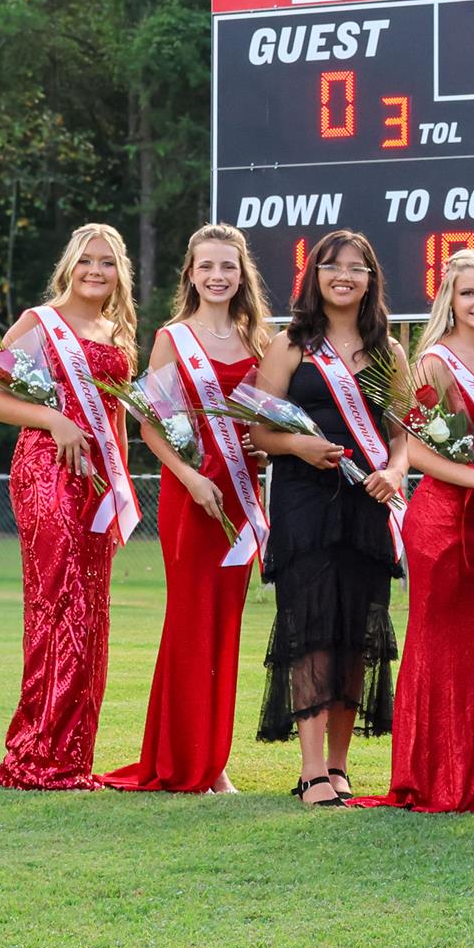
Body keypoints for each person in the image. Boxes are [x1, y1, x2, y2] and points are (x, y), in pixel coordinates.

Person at [352, 247, 474, 815]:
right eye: (469, 292)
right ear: (450, 298)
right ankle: (431, 778)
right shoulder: (433, 362)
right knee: (439, 649)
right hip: (446, 522)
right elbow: (419, 449)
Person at [102, 224, 272, 795]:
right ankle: (185, 760)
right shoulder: (174, 338)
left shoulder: (259, 341)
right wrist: (192, 477)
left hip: (241, 495)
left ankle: (212, 757)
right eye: (207, 266)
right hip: (194, 492)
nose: (218, 276)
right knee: (190, 622)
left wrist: (263, 447)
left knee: (226, 625)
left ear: (240, 274)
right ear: (191, 274)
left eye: (228, 266)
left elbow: (264, 420)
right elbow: (153, 425)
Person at [0, 223, 140, 790]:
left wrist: (120, 486)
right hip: (47, 470)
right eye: (87, 261)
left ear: (121, 273)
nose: (96, 271)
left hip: (98, 482)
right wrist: (54, 418)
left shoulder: (117, 332)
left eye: (108, 263)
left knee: (90, 612)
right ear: (69, 266)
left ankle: (69, 756)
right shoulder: (39, 324)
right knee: (57, 604)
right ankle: (36, 754)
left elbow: (116, 417)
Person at [247, 230, 407, 806]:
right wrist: (300, 448)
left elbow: (401, 437)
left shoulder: (389, 351)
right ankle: (312, 771)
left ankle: (340, 768)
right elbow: (260, 430)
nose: (345, 276)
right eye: (333, 266)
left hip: (367, 502)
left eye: (357, 267)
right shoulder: (289, 344)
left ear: (371, 279)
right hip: (305, 501)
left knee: (355, 634)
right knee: (312, 627)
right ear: (314, 275)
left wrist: (397, 470)